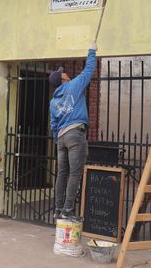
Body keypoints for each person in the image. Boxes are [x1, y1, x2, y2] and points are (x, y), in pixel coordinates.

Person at [49, 42, 97, 219]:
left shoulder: (53, 102)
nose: (66, 73)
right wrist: (92, 51)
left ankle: (57, 209)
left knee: (62, 173)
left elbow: (53, 124)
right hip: (75, 134)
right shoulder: (74, 86)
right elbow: (89, 70)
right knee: (75, 172)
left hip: (61, 138)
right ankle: (68, 210)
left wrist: (57, 140)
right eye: (64, 73)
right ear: (63, 79)